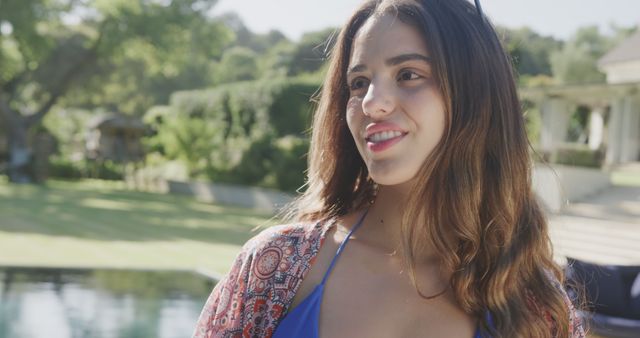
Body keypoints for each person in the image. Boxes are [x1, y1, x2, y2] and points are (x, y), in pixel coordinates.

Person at [193, 0, 586, 337]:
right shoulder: (277, 267)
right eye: (359, 82)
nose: (371, 103)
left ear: (474, 97)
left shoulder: (537, 308)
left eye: (409, 75)